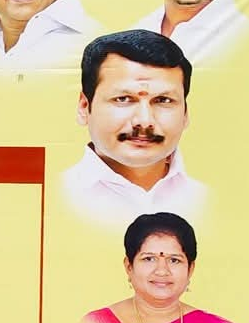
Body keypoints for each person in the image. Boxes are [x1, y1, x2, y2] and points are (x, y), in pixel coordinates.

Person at [60, 30, 207, 228]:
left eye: (163, 100)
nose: (144, 121)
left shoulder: (207, 200)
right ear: (84, 107)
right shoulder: (58, 194)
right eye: (123, 99)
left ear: (185, 113)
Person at [81, 211, 240, 323]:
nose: (162, 271)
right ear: (129, 266)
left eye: (174, 260)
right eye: (149, 259)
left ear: (190, 269)